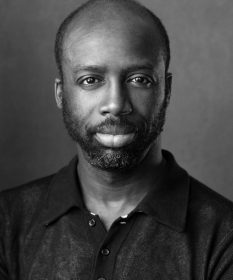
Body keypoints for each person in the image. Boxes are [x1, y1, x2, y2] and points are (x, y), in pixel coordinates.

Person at [1, 0, 233, 279]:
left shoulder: (224, 236)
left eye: (139, 79)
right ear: (61, 94)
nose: (116, 104)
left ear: (166, 91)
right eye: (90, 80)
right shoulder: (6, 222)